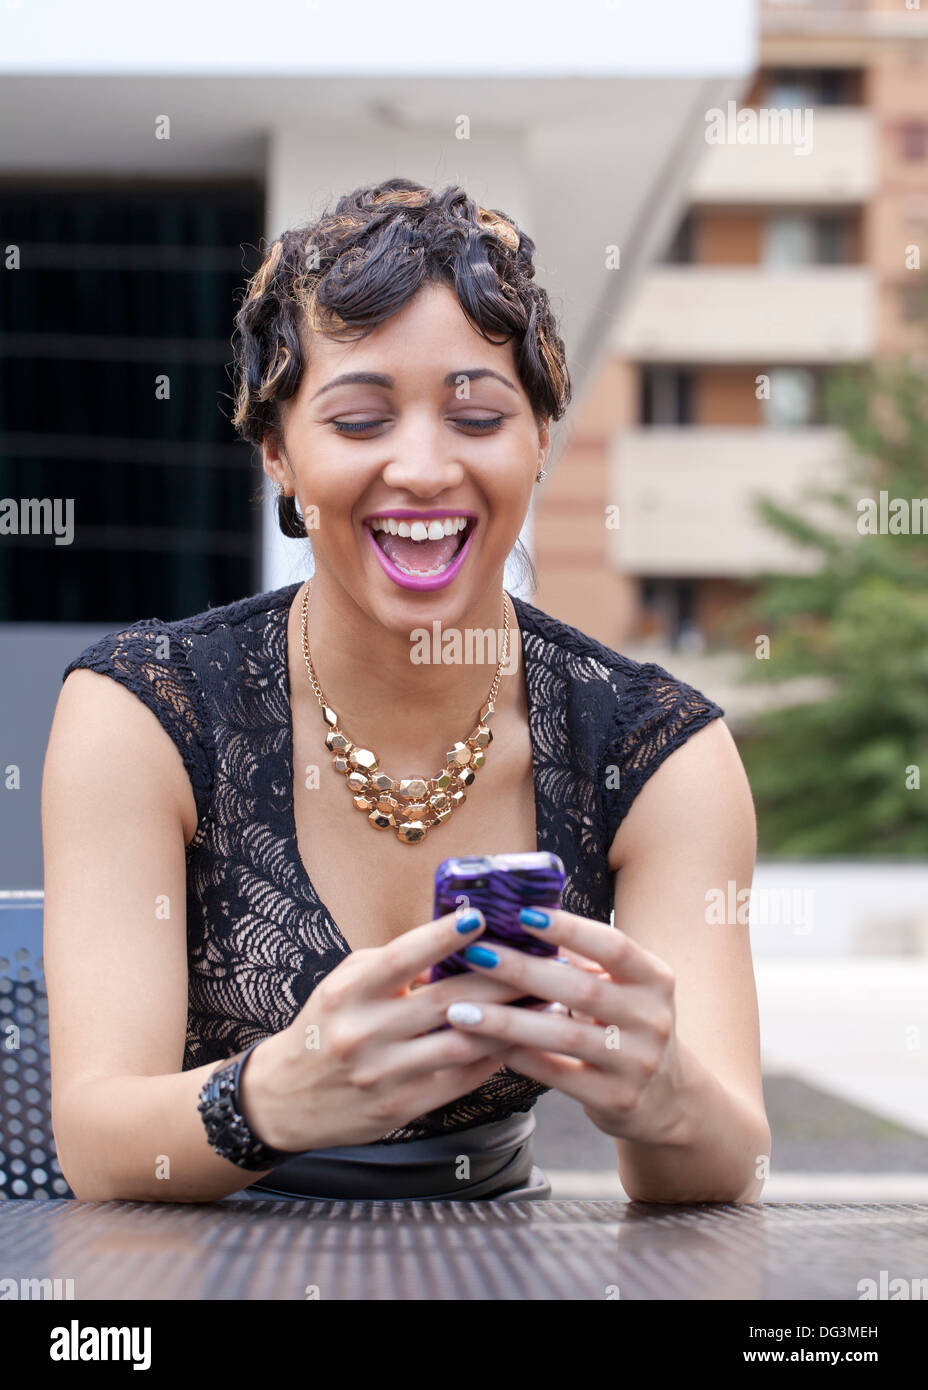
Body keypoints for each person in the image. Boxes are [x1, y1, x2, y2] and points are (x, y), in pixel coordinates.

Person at [42, 177, 770, 1204]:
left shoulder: (657, 752)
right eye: (358, 420)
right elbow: (98, 1142)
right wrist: (270, 1096)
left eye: (476, 415)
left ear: (539, 442)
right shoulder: (143, 713)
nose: (422, 469)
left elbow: (719, 1163)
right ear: (278, 454)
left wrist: (659, 1091)